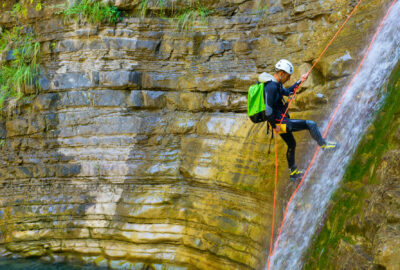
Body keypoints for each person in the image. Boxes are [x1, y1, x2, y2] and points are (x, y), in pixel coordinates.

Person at [259, 59, 338, 180]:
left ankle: (294, 173)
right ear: (281, 73)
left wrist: (300, 80)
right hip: (280, 124)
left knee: (291, 144)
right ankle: (324, 145)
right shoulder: (271, 87)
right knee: (311, 124)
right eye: (288, 76)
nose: (288, 79)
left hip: (279, 123)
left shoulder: (276, 85)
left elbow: (289, 92)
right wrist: (274, 126)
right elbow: (268, 110)